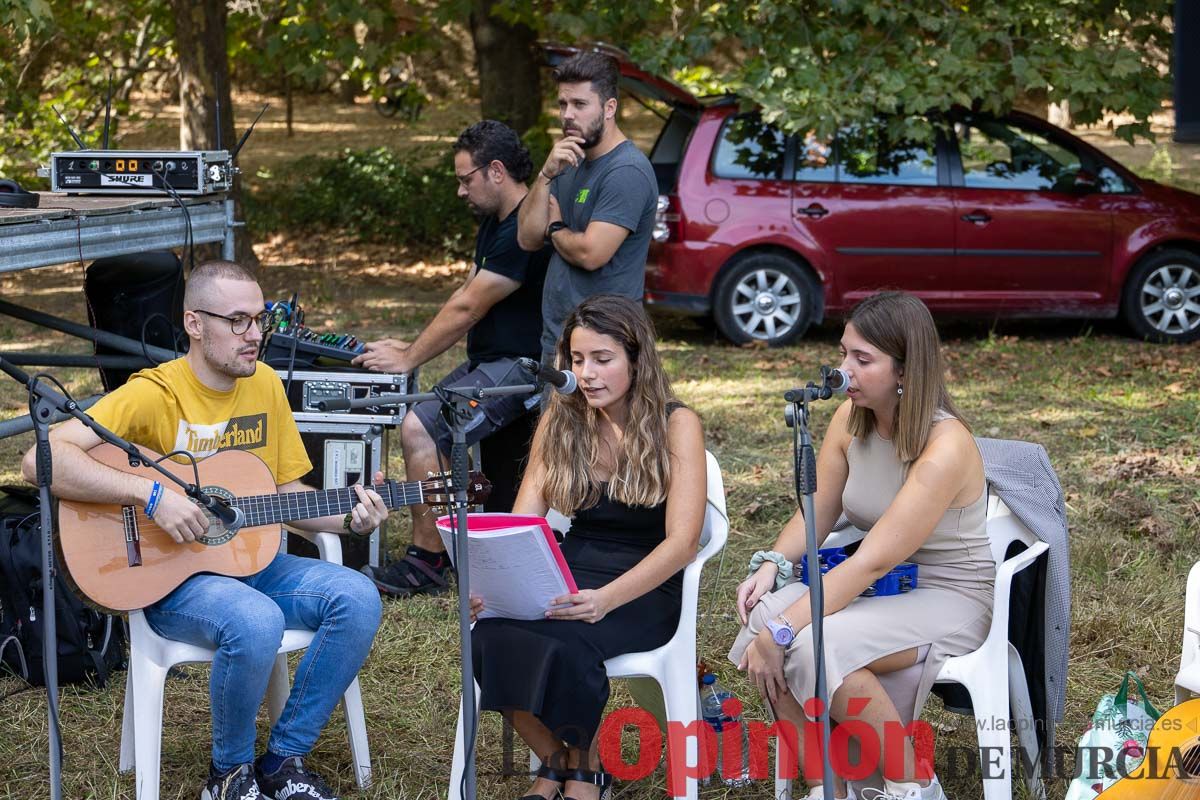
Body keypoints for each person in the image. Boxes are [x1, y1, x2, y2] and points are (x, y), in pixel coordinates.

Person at [22, 261, 386, 800]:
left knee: (357, 596)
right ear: (194, 323)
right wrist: (150, 494)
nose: (255, 335)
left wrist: (352, 514)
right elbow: (39, 460)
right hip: (168, 577)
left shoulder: (263, 384)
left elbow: (284, 497)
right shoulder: (153, 393)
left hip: (253, 564)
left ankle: (285, 759)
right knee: (255, 620)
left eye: (259, 320)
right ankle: (230, 775)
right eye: (238, 321)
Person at [728, 291, 994, 800]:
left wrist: (787, 628)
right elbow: (817, 511)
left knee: (813, 645)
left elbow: (873, 559)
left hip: (950, 594)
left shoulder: (946, 446)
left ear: (904, 370)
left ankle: (913, 784)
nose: (842, 370)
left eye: (862, 359)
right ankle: (825, 786)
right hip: (886, 585)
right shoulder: (851, 421)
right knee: (761, 620)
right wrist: (773, 563)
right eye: (844, 352)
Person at [467, 295, 706, 800]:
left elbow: (683, 542)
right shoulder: (563, 419)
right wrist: (495, 584)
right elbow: (522, 523)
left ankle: (576, 777)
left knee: (570, 642)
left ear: (636, 359)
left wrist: (606, 600)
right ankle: (571, 762)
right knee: (487, 632)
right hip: (574, 567)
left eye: (603, 359)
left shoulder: (675, 422)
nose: (588, 374)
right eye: (578, 361)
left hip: (645, 583)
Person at [352, 120, 552, 598]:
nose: (461, 190)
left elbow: (469, 307)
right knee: (430, 421)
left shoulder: (523, 228)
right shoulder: (494, 222)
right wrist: (409, 348)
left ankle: (427, 561)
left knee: (421, 427)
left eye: (466, 179)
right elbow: (466, 289)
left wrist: (407, 359)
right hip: (493, 360)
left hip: (521, 368)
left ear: (496, 171)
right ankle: (459, 544)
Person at [516, 51, 658, 363]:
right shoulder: (567, 159)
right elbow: (527, 238)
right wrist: (545, 174)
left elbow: (591, 254)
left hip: (607, 346)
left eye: (580, 104)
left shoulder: (626, 171)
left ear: (610, 108)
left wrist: (555, 228)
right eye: (563, 104)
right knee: (553, 415)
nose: (567, 114)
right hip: (557, 339)